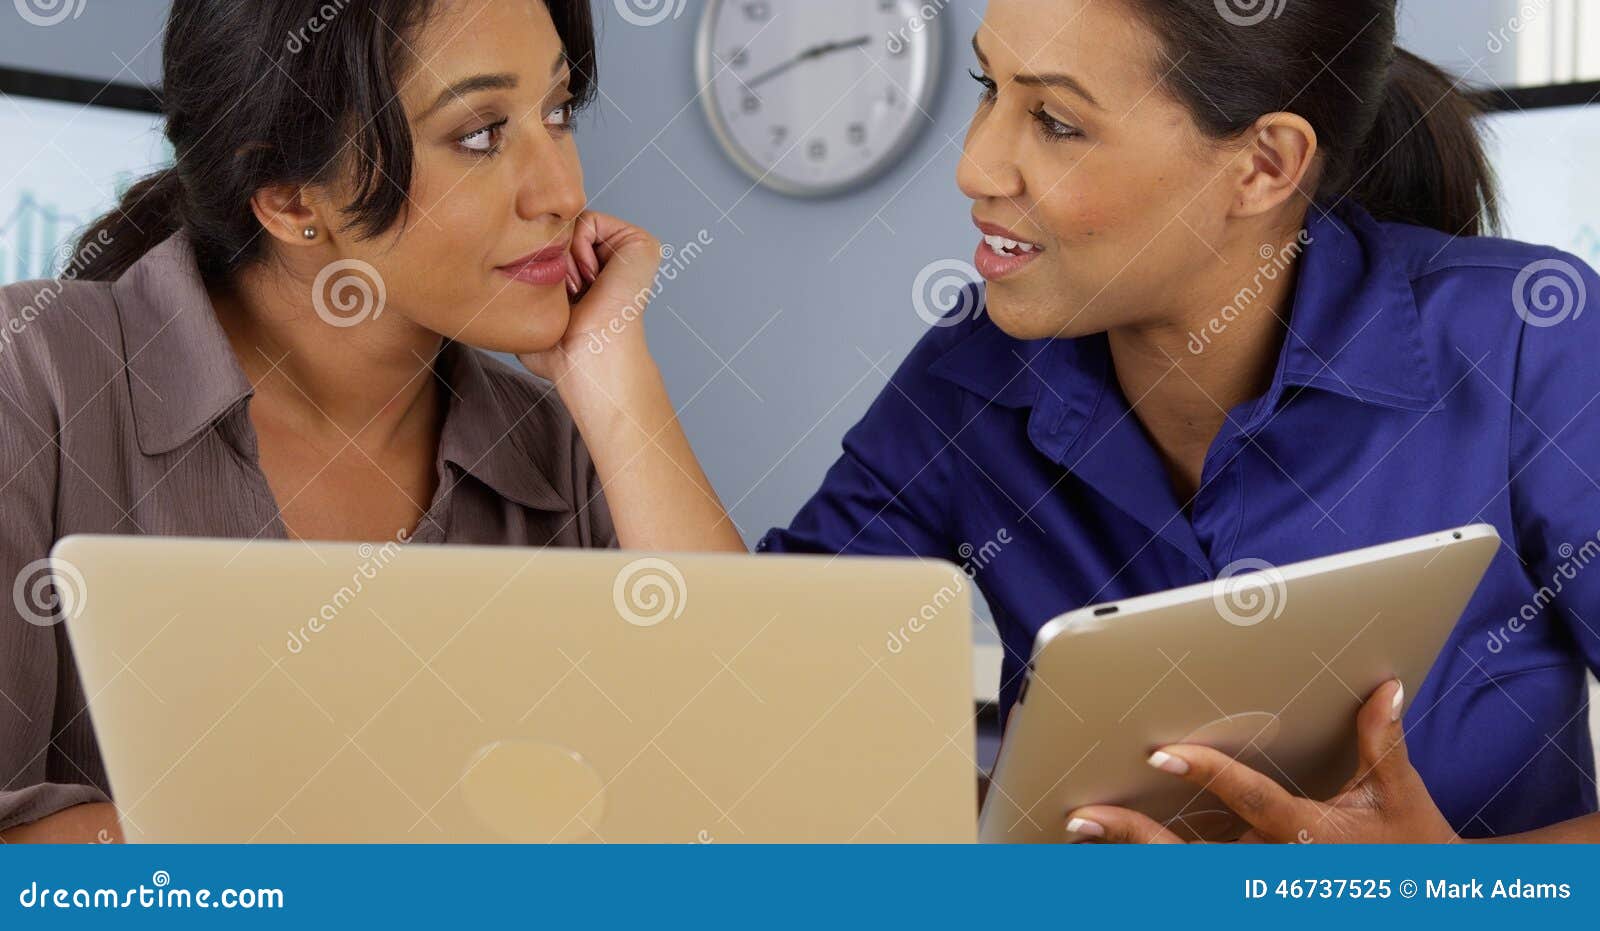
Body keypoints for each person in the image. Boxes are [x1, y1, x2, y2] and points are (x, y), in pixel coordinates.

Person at [758, 0, 1600, 842]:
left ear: (1265, 165)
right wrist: (621, 376)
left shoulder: (1529, 342)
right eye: (989, 87)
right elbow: (756, 674)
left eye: (1055, 120)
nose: (975, 169)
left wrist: (1446, 893)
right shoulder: (968, 374)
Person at [0, 0, 742, 844]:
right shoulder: (33, 379)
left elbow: (752, 799)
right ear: (288, 198)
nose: (563, 192)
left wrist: (619, 389)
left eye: (558, 112)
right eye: (479, 135)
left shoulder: (552, 452)